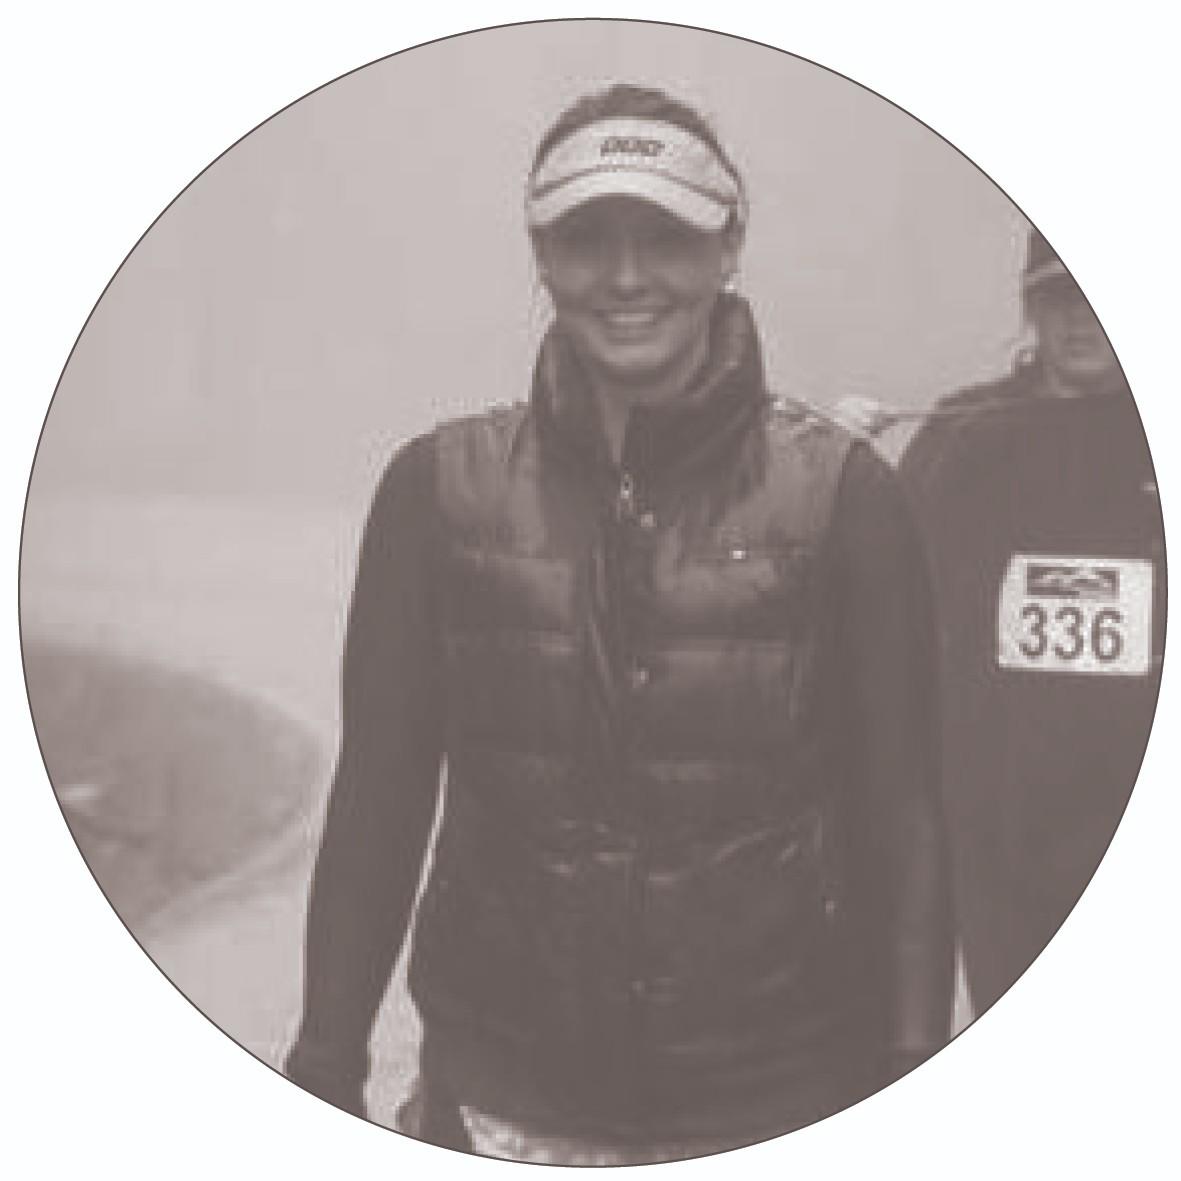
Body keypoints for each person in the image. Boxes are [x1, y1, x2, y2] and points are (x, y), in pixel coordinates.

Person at [283, 83, 953, 1164]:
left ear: (729, 247)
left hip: (779, 1093)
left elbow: (902, 814)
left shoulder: (845, 496)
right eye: (587, 238)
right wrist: (324, 1056)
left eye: (667, 237)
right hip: (498, 1099)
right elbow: (378, 795)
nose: (628, 276)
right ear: (539, 256)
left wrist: (913, 1065)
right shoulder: (434, 489)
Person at [847, 228, 1166, 1019]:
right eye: (1059, 297)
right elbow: (882, 600)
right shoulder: (963, 434)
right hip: (997, 827)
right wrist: (835, 467)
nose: (1081, 318)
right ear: (1029, 306)